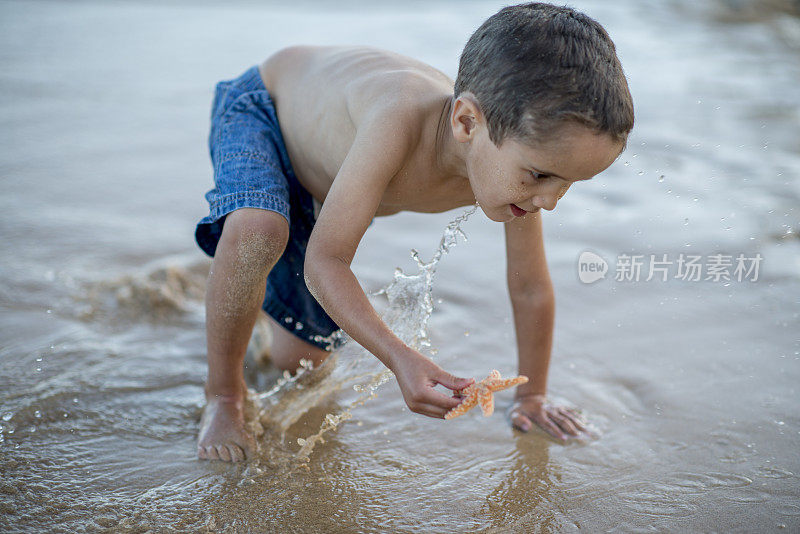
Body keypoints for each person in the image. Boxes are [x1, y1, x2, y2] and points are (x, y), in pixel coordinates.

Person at [194, 2, 634, 462]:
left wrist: (532, 395)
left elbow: (529, 287)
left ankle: (244, 297)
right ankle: (223, 394)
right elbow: (325, 262)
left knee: (300, 365)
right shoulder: (399, 121)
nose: (550, 199)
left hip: (324, 182)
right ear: (467, 122)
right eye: (542, 176)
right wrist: (399, 355)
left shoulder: (507, 168)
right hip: (263, 108)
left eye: (568, 183)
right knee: (260, 229)